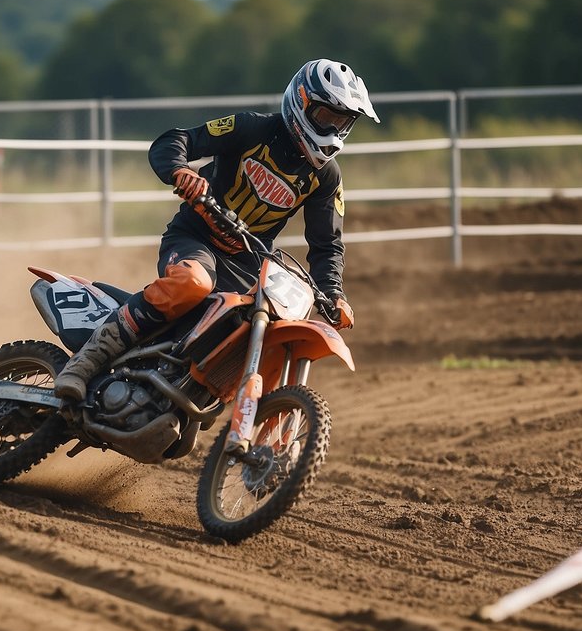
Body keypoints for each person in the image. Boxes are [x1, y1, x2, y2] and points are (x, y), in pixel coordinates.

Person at [54, 58, 379, 403]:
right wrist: (181, 172)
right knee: (192, 283)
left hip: (248, 263)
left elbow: (327, 243)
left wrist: (333, 292)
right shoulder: (252, 128)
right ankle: (85, 363)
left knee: (259, 325)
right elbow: (176, 141)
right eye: (326, 116)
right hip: (196, 237)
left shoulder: (326, 177)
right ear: (301, 101)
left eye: (341, 121)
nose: (331, 129)